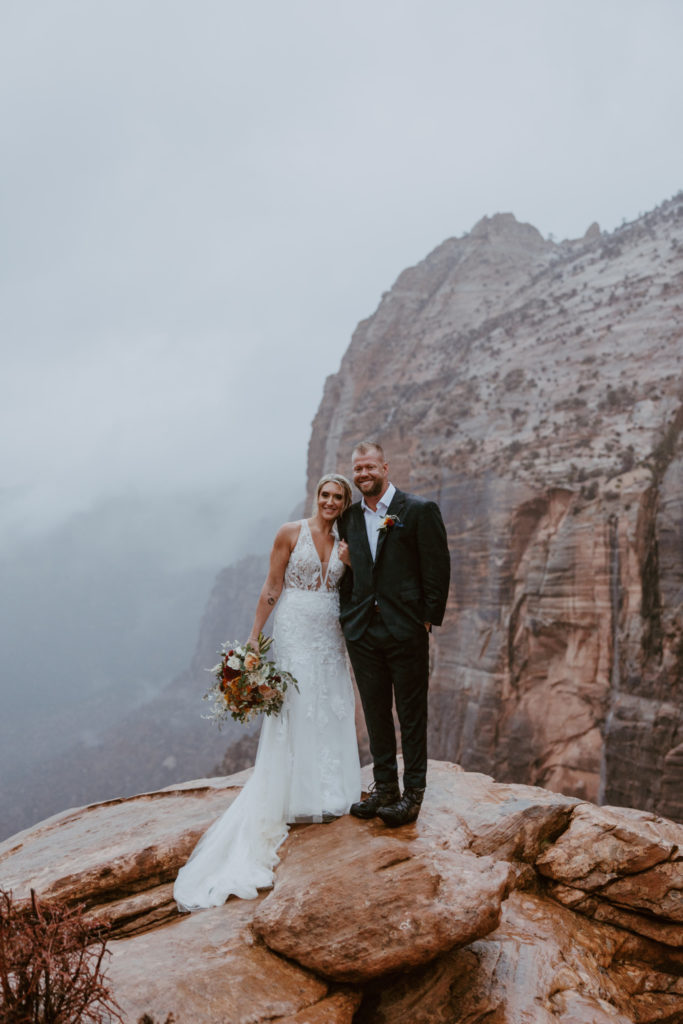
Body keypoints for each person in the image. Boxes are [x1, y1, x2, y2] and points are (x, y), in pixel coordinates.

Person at [174, 474, 361, 911]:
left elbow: (352, 589)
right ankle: (294, 794)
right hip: (294, 627)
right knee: (295, 707)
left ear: (344, 503)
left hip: (330, 633)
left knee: (331, 704)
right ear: (316, 497)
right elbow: (271, 587)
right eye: (325, 495)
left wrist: (351, 565)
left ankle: (330, 792)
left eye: (338, 497)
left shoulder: (347, 542)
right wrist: (254, 641)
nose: (330, 502)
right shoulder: (289, 533)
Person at [337, 441, 450, 827]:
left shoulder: (417, 510)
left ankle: (413, 793)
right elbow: (349, 572)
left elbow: (437, 569)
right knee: (375, 712)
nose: (363, 474)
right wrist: (349, 614)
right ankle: (385, 787)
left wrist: (425, 620)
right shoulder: (349, 518)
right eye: (357, 469)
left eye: (369, 466)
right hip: (363, 632)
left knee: (411, 713)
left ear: (385, 467)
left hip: (406, 630)